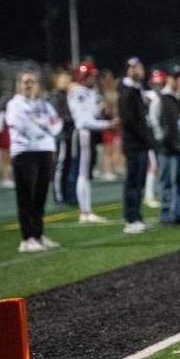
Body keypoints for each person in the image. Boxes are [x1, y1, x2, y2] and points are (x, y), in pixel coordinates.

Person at [5, 68, 63, 252]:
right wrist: (43, 128)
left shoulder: (44, 104)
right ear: (18, 85)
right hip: (25, 153)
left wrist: (42, 127)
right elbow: (23, 126)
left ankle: (38, 234)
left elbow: (57, 123)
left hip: (44, 152)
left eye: (32, 82)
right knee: (26, 197)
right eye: (25, 81)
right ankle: (27, 238)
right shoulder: (14, 105)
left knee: (40, 196)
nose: (29, 85)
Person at [68, 61, 117, 223]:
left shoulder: (90, 92)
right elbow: (83, 121)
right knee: (83, 173)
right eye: (91, 76)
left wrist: (103, 110)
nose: (94, 79)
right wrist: (108, 124)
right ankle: (85, 212)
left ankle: (87, 210)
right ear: (83, 76)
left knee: (86, 174)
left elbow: (93, 113)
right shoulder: (79, 92)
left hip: (89, 135)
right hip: (83, 134)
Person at [118, 57, 155, 234]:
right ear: (127, 70)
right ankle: (130, 218)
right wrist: (145, 138)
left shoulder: (136, 89)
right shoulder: (127, 91)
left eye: (139, 67)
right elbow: (128, 121)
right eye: (134, 68)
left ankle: (137, 216)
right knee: (132, 182)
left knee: (139, 182)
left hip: (140, 143)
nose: (138, 70)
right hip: (133, 143)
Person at [156, 65, 180, 226]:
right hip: (167, 148)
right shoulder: (161, 98)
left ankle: (178, 213)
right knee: (166, 182)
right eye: (177, 77)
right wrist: (162, 140)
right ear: (170, 79)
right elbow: (155, 121)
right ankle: (166, 215)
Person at [49, 70, 75, 204]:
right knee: (60, 165)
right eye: (63, 79)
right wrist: (72, 119)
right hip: (61, 136)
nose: (66, 82)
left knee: (66, 165)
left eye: (68, 79)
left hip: (67, 135)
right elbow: (57, 116)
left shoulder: (65, 95)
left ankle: (65, 193)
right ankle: (59, 196)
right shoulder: (56, 95)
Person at [143, 68, 165, 209]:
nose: (157, 85)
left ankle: (149, 194)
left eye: (159, 83)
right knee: (153, 165)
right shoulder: (148, 96)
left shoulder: (162, 96)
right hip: (148, 132)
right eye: (155, 83)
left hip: (154, 132)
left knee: (155, 165)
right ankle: (148, 196)